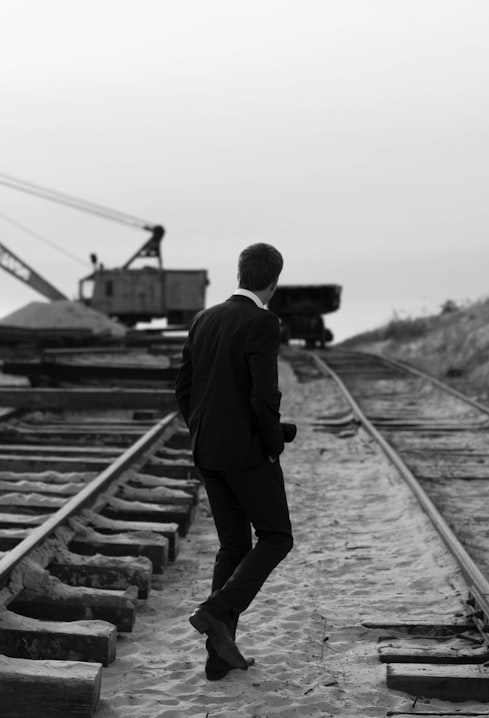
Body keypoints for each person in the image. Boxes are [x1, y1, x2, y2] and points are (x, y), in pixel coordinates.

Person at [174, 242, 296, 681]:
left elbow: (183, 389)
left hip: (207, 450)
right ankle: (214, 610)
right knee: (277, 536)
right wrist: (272, 444)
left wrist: (203, 430)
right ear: (273, 281)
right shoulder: (262, 321)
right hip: (246, 453)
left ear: (240, 273)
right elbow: (264, 395)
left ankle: (217, 656)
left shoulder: (204, 319)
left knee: (234, 546)